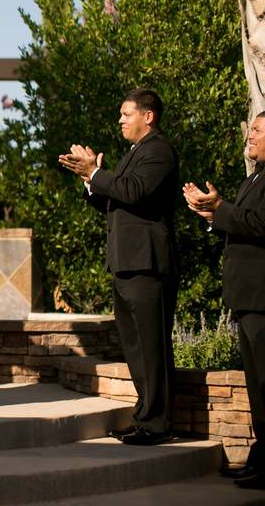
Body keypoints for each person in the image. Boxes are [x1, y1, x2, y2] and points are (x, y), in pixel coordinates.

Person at [58, 88, 178, 445]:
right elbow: (115, 201)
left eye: (127, 114)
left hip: (147, 263)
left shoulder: (158, 151)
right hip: (125, 263)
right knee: (135, 346)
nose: (121, 120)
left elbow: (135, 191)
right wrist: (90, 180)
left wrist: (96, 172)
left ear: (148, 116)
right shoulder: (133, 154)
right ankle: (145, 417)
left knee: (152, 346)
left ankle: (158, 423)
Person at [184, 111, 265, 489]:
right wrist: (212, 213)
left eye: (259, 130)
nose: (250, 135)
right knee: (256, 385)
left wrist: (220, 209)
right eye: (251, 128)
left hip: (262, 298)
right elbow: (243, 220)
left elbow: (259, 224)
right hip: (248, 297)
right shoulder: (255, 176)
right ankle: (259, 458)